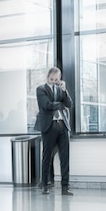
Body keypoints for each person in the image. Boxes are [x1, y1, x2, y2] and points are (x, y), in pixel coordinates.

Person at [34, 67, 73, 196]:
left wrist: (64, 90)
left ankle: (65, 187)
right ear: (47, 77)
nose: (53, 82)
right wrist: (60, 104)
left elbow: (69, 104)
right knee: (47, 157)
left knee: (65, 158)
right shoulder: (41, 89)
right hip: (48, 126)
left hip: (62, 126)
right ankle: (45, 185)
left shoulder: (60, 89)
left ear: (59, 78)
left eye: (56, 80)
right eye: (51, 79)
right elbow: (46, 105)